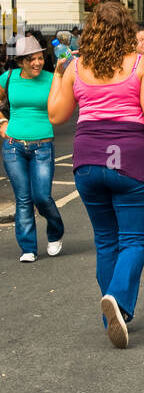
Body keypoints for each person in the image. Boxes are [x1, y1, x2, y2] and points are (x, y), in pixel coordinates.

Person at [47, 1, 144, 347]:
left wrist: (59, 74)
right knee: (135, 239)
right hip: (129, 159)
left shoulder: (76, 66)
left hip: (88, 159)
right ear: (127, 31)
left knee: (106, 240)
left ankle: (115, 309)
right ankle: (118, 302)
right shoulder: (141, 65)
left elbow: (56, 115)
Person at [0, 34, 65, 262]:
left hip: (43, 146)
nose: (37, 63)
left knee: (42, 196)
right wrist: (2, 121)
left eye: (39, 58)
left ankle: (55, 232)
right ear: (20, 61)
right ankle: (28, 247)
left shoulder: (51, 78)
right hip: (13, 147)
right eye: (31, 60)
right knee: (23, 198)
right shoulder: (8, 78)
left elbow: (68, 100)